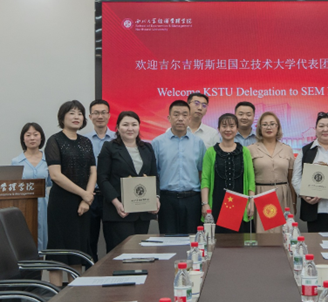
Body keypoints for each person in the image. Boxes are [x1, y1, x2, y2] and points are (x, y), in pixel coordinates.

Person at [44, 100, 96, 286]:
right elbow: (55, 175)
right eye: (72, 113)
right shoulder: (54, 140)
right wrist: (84, 194)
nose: (76, 117)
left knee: (77, 250)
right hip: (61, 203)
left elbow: (93, 172)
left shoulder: (86, 142)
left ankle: (75, 294)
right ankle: (56, 295)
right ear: (62, 117)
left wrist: (87, 199)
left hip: (82, 204)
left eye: (80, 113)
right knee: (59, 252)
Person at [97, 111, 160, 252]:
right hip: (119, 212)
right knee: (121, 254)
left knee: (140, 254)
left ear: (139, 127)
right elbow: (102, 178)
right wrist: (116, 203)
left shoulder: (147, 148)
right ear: (118, 128)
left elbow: (154, 176)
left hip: (143, 211)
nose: (130, 128)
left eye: (134, 124)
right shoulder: (109, 147)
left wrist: (155, 198)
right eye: (125, 125)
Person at [152, 100, 206, 234]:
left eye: (184, 115)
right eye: (176, 115)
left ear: (189, 118)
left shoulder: (198, 143)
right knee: (168, 239)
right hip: (166, 199)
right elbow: (153, 174)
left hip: (192, 199)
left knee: (192, 238)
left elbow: (202, 172)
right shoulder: (157, 143)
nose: (180, 118)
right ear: (169, 118)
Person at [201, 113, 255, 233]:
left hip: (240, 203)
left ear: (237, 129)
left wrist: (251, 201)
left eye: (231, 126)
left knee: (240, 241)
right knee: (218, 240)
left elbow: (251, 179)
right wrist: (205, 204)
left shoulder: (245, 151)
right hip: (217, 203)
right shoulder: (211, 152)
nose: (228, 130)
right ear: (218, 129)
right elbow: (205, 180)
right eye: (224, 126)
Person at [248, 111, 296, 233]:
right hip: (261, 194)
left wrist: (294, 202)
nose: (268, 127)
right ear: (259, 128)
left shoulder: (287, 149)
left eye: (272, 124)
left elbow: (291, 179)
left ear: (278, 127)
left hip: (283, 195)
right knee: (263, 235)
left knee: (284, 233)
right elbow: (248, 179)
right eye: (264, 124)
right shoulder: (250, 149)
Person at [84, 99, 116, 262]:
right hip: (90, 196)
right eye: (96, 113)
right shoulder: (83, 140)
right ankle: (91, 272)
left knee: (114, 240)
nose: (100, 116)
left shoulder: (118, 139)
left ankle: (113, 272)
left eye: (103, 112)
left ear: (109, 115)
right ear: (90, 116)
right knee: (89, 241)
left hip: (112, 197)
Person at [12, 122, 51, 251]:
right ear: (23, 139)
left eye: (35, 134)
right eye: (28, 135)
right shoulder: (16, 161)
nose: (32, 138)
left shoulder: (49, 159)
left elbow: (50, 182)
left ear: (41, 137)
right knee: (26, 238)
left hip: (44, 204)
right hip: (24, 204)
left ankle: (42, 262)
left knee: (44, 237)